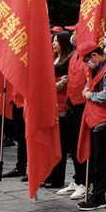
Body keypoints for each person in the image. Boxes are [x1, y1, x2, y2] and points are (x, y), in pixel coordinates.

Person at [77, 42, 106, 211]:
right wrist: (87, 89)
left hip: (103, 120)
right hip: (93, 118)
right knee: (93, 159)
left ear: (94, 55)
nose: (87, 64)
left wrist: (89, 95)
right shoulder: (96, 68)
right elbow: (89, 83)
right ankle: (95, 193)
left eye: (87, 60)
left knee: (100, 161)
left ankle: (99, 197)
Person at [57, 24, 90, 200]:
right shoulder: (74, 54)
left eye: (75, 32)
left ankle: (85, 182)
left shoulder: (87, 56)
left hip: (82, 106)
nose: (72, 36)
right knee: (73, 147)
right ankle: (78, 180)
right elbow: (60, 68)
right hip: (71, 105)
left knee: (82, 146)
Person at [44, 31, 73, 188]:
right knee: (50, 144)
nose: (53, 44)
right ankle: (49, 174)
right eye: (53, 41)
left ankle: (57, 178)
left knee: (59, 145)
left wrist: (46, 86)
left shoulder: (66, 61)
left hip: (61, 107)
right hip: (50, 107)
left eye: (56, 41)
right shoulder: (54, 59)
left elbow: (63, 83)